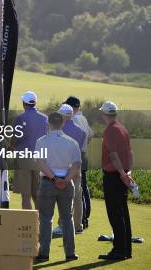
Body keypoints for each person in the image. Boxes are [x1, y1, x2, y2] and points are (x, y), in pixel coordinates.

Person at [34, 112, 81, 263]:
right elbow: (76, 165)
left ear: (48, 123)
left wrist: (54, 178)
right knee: (67, 219)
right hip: (66, 183)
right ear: (62, 123)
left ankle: (44, 253)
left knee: (46, 219)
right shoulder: (72, 142)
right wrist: (66, 180)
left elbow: (41, 163)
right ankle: (70, 253)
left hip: (48, 182)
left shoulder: (41, 141)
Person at [98, 101, 134, 261]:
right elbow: (130, 154)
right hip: (123, 174)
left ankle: (119, 250)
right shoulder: (123, 129)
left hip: (114, 176)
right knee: (123, 213)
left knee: (115, 214)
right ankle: (126, 250)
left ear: (104, 114)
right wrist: (128, 172)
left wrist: (121, 173)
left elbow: (113, 155)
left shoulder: (110, 130)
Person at [52, 103, 86, 236]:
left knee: (64, 197)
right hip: (77, 166)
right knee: (77, 197)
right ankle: (78, 226)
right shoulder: (81, 131)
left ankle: (62, 226)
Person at [12, 91, 48, 209]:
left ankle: (29, 224)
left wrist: (10, 147)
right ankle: (41, 223)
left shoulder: (19, 119)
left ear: (24, 103)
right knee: (37, 194)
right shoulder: (45, 119)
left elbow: (15, 139)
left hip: (24, 158)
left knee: (26, 195)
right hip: (40, 159)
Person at [66, 96, 94, 229]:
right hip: (84, 154)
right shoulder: (83, 118)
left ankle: (81, 219)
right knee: (83, 187)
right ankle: (85, 216)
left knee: (78, 190)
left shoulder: (75, 119)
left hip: (76, 156)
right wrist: (84, 146)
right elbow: (90, 135)